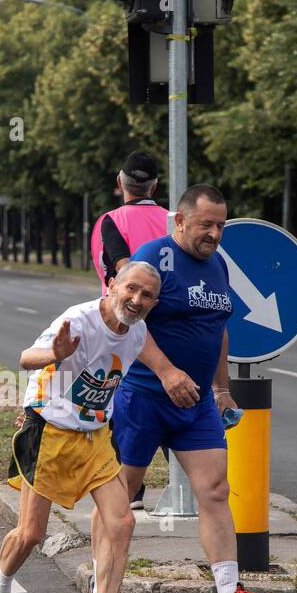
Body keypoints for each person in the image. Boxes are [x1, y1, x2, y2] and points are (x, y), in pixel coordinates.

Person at [104, 183, 279, 593]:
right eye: (206, 224)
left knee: (216, 491)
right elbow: (128, 319)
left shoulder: (218, 266)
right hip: (144, 398)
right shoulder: (153, 256)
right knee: (118, 501)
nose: (216, 234)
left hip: (197, 402)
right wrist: (165, 371)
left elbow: (216, 329)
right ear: (179, 221)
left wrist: (220, 389)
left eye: (221, 225)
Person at [0, 262, 162, 593]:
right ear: (113, 285)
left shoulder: (137, 333)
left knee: (122, 521)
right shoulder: (78, 319)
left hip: (96, 437)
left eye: (147, 295)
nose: (136, 300)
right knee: (30, 534)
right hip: (49, 431)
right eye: (131, 289)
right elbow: (26, 357)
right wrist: (55, 353)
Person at [90, 150, 172, 516]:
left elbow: (115, 277)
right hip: (175, 326)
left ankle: (130, 494)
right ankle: (190, 485)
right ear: (155, 186)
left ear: (119, 184)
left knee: (128, 406)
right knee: (180, 399)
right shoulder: (176, 221)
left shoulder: (109, 221)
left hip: (131, 329)